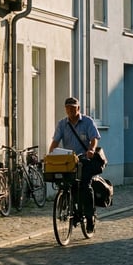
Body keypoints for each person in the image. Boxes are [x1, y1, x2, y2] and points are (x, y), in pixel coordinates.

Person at [48, 96, 101, 232]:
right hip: (68, 161)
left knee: (85, 186)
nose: (70, 110)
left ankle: (89, 219)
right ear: (65, 110)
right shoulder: (62, 124)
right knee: (65, 184)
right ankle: (69, 207)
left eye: (73, 108)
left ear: (78, 108)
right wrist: (50, 154)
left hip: (83, 159)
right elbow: (55, 141)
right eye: (68, 108)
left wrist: (91, 149)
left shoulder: (87, 122)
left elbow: (94, 138)